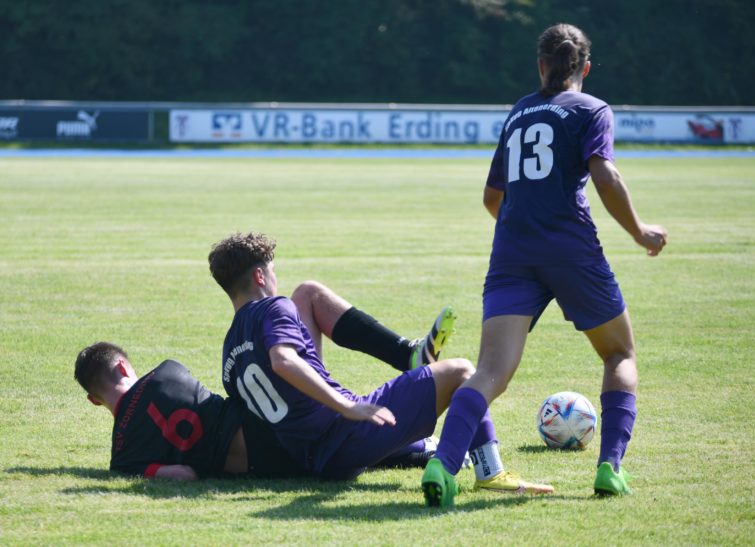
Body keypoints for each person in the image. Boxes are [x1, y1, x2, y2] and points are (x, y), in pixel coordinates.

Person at [421, 23, 668, 506]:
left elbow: (492, 197)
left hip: (512, 252)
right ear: (585, 68)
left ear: (540, 65)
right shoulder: (592, 109)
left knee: (490, 371)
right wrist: (640, 232)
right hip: (572, 249)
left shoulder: (518, 112)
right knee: (619, 354)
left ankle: (443, 464)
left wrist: (524, 226)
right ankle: (610, 469)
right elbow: (605, 175)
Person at [208, 231, 530, 490]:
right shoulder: (274, 307)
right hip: (344, 435)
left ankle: (410, 359)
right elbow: (283, 361)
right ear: (260, 276)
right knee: (462, 371)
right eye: (273, 271)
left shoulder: (230, 352)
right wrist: (347, 406)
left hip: (309, 455)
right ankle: (489, 471)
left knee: (307, 293)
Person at [73, 282, 457, 480]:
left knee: (303, 300)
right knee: (307, 295)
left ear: (94, 400)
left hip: (260, 462)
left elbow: (184, 475)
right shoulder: (166, 373)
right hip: (282, 436)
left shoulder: (122, 460)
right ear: (123, 367)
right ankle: (406, 362)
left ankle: (411, 417)